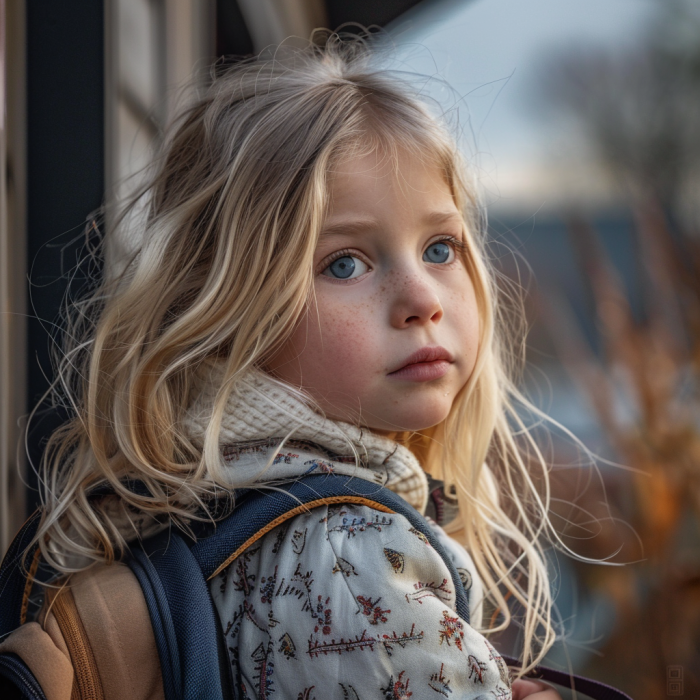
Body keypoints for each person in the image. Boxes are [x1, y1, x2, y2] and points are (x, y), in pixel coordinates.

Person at [1, 33, 576, 700]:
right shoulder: (348, 550)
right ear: (235, 311)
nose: (421, 298)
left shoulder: (216, 501)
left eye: (441, 248)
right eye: (344, 263)